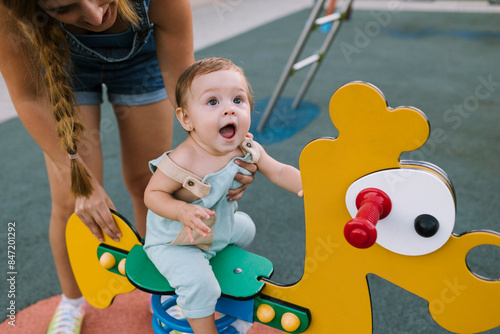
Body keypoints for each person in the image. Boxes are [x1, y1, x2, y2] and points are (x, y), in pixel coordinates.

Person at [0, 2, 255, 333]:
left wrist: (222, 156)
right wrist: (82, 182)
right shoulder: (9, 7)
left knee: (151, 183)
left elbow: (186, 86)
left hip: (141, 61)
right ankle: (72, 301)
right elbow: (30, 96)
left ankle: (167, 287)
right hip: (61, 64)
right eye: (65, 7)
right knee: (71, 201)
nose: (94, 16)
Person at [143, 57, 303, 334]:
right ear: (186, 118)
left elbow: (278, 171)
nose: (229, 110)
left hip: (215, 230)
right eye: (213, 102)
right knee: (201, 286)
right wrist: (182, 211)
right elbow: (152, 194)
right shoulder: (182, 159)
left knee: (248, 227)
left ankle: (215, 270)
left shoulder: (246, 147)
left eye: (238, 100)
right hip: (176, 242)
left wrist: (311, 186)